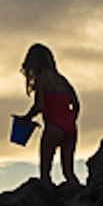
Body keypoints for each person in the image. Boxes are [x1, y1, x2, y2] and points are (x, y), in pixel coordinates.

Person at [18, 42, 81, 187]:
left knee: (45, 175)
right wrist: (70, 120)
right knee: (69, 173)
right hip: (71, 128)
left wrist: (25, 118)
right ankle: (80, 198)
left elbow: (39, 106)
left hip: (53, 127)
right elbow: (76, 104)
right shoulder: (62, 80)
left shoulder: (41, 79)